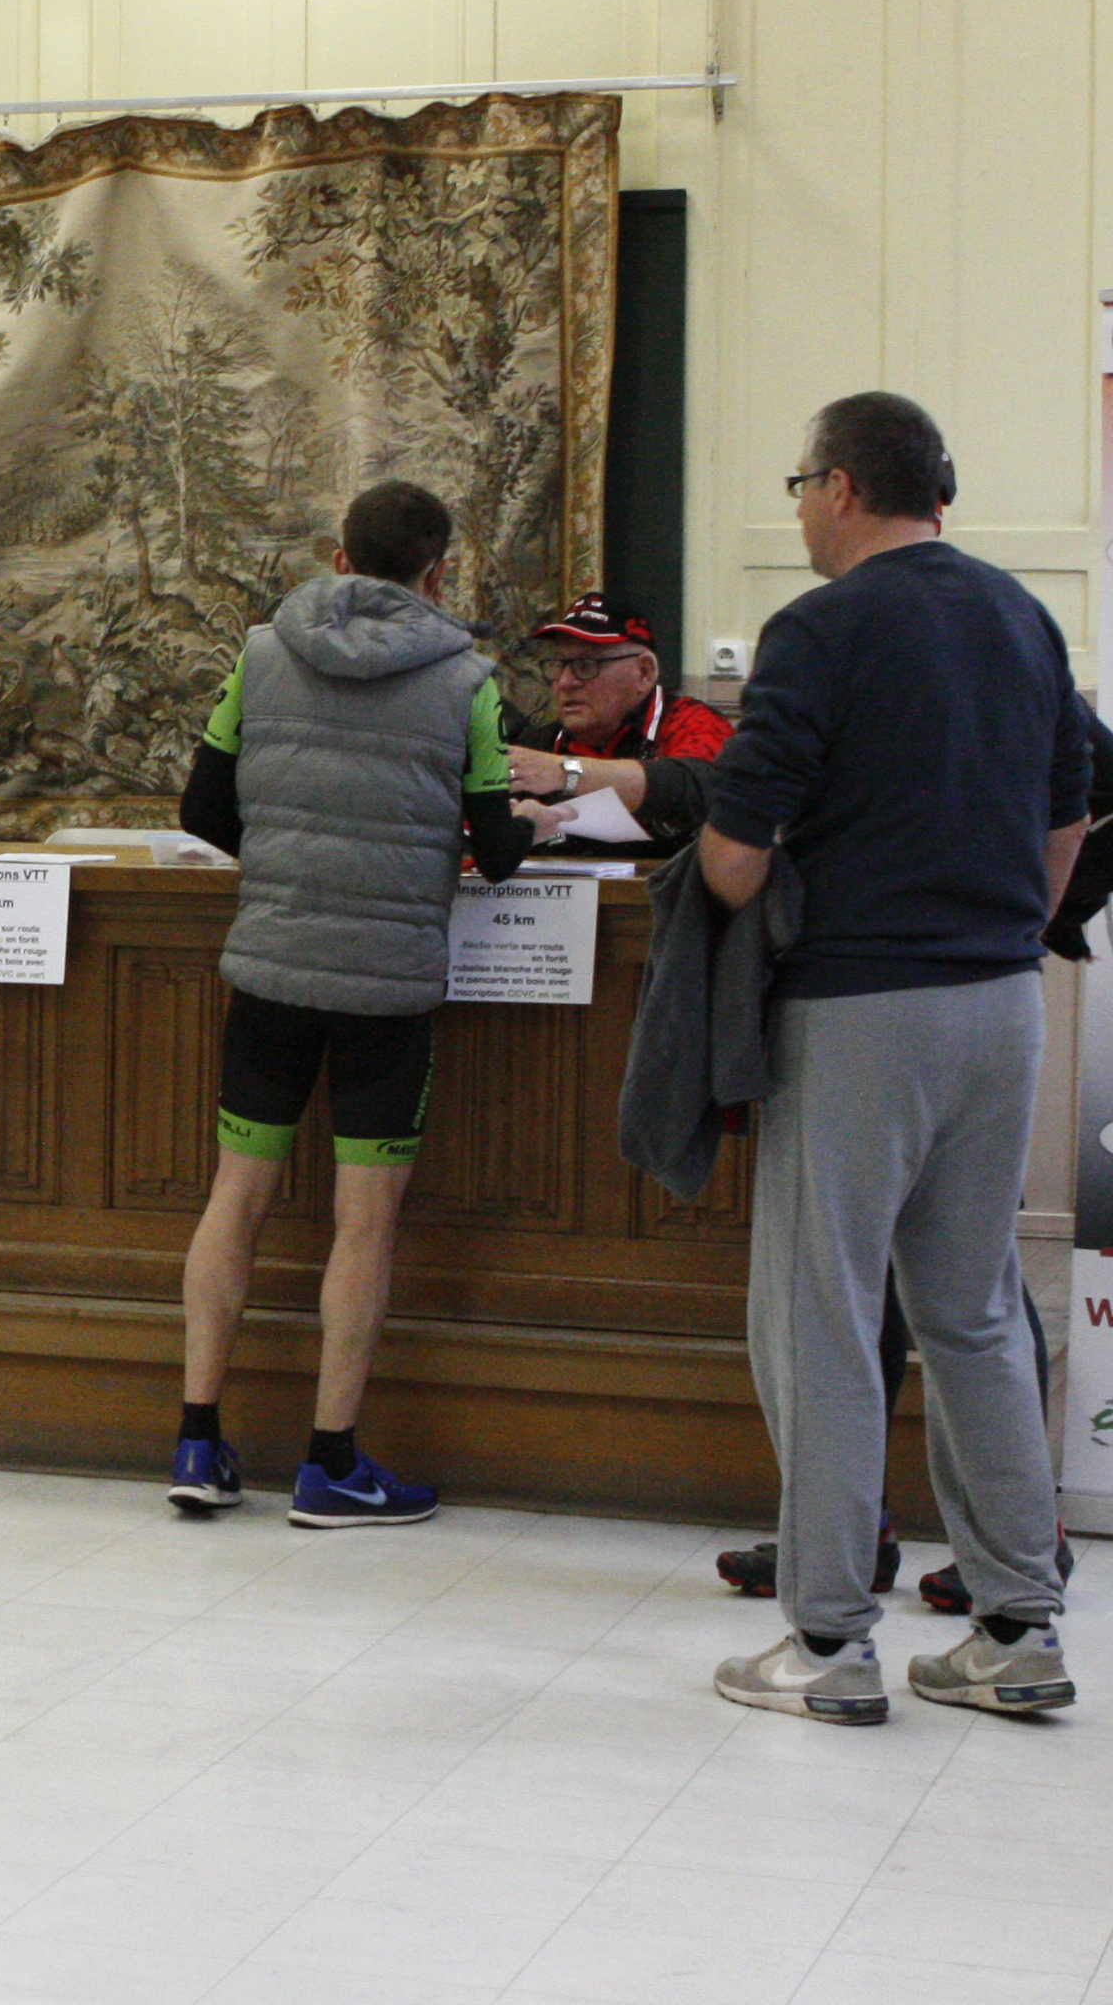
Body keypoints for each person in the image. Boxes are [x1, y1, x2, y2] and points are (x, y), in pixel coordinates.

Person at [702, 393, 1086, 1723]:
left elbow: (735, 857)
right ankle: (1018, 1629)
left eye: (802, 486)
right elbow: (1071, 811)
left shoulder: (821, 629)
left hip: (862, 1007)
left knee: (821, 1312)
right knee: (973, 1310)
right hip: (1003, 999)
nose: (802, 510)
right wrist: (1001, 927)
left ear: (845, 487)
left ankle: (826, 1642)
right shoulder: (1022, 616)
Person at [169, 481, 534, 1529]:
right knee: (364, 1218)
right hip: (388, 983)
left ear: (340, 558)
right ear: (438, 574)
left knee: (236, 1195)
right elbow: (497, 848)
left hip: (273, 968)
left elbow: (203, 806)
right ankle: (330, 1462)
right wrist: (535, 824)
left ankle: (197, 1439)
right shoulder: (466, 680)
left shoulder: (260, 654)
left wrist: (287, 861)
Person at [505, 594, 729, 858]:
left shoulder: (690, 722)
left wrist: (565, 772)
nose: (564, 682)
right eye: (558, 665)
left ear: (644, 672)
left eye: (586, 665)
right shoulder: (540, 743)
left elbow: (702, 788)